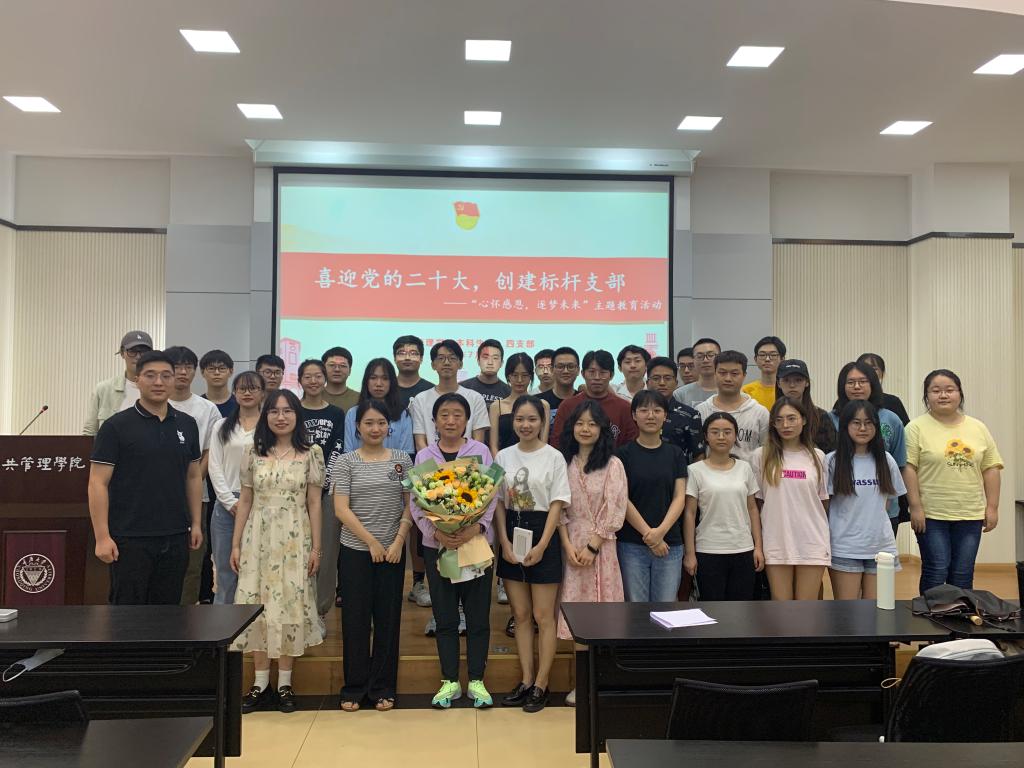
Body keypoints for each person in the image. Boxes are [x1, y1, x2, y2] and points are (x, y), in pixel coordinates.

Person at [230, 388, 324, 713]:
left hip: (295, 539)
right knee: (258, 605)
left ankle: (284, 683)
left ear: (297, 415)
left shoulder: (311, 453)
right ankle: (259, 683)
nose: (280, 417)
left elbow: (315, 503)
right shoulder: (252, 452)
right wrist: (236, 543)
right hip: (258, 538)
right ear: (265, 416)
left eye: (287, 411)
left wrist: (317, 548)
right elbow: (245, 500)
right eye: (274, 411)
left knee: (289, 605)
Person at [88, 350, 202, 605]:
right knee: (127, 613)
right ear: (137, 380)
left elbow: (193, 476)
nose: (159, 382)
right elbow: (97, 483)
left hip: (175, 535)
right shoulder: (116, 426)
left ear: (174, 380)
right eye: (150, 375)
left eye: (166, 376)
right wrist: (102, 537)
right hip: (130, 537)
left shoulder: (187, 424)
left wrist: (195, 523)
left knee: (168, 612)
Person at [410, 392, 497, 710]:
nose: (451, 420)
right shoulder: (425, 456)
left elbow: (492, 496)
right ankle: (449, 681)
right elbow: (416, 502)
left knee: (477, 616)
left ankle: (476, 680)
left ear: (467, 420)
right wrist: (436, 532)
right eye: (444, 414)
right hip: (438, 547)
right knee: (444, 617)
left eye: (457, 414)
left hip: (475, 545)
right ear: (434, 421)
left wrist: (477, 528)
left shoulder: (481, 452)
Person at [334, 399, 414, 712]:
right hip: (356, 550)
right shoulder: (346, 462)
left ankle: (383, 687)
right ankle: (354, 688)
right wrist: (371, 542)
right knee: (355, 620)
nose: (375, 428)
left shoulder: (402, 460)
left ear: (389, 427)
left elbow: (410, 504)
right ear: (358, 427)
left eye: (381, 423)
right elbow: (341, 509)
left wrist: (398, 541)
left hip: (393, 551)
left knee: (387, 620)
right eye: (369, 423)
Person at [495, 395, 571, 713]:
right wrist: (504, 542)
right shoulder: (503, 456)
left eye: (532, 419)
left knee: (543, 615)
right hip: (512, 531)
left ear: (542, 422)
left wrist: (542, 545)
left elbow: (557, 504)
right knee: (521, 615)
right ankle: (526, 679)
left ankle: (542, 683)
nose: (525, 425)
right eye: (519, 419)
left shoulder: (554, 457)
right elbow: (498, 503)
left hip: (543, 533)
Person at [904, 369, 1003, 593]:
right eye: (935, 390)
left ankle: (960, 614)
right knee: (936, 569)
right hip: (931, 515)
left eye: (950, 390)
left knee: (963, 573)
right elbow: (908, 469)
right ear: (926, 396)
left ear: (960, 393)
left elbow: (991, 468)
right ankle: (931, 614)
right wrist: (915, 507)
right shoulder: (916, 428)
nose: (943, 395)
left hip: (970, 513)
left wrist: (992, 507)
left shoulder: (978, 427)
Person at [556, 400, 627, 706]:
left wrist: (593, 545)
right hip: (571, 546)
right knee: (578, 617)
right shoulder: (563, 463)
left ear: (602, 429)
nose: (585, 429)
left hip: (603, 547)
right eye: (580, 423)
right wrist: (568, 545)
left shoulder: (613, 464)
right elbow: (558, 508)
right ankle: (582, 684)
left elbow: (616, 507)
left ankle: (606, 682)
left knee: (605, 613)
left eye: (592, 424)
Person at [750, 398, 829, 601]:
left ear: (804, 420)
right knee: (781, 607)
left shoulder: (818, 456)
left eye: (791, 418)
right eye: (779, 420)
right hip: (776, 539)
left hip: (811, 540)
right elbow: (757, 504)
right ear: (773, 424)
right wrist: (758, 543)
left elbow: (822, 501)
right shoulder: (761, 456)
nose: (785, 425)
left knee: (806, 608)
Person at [827, 400, 905, 600]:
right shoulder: (832, 461)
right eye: (856, 423)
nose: (863, 428)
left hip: (881, 545)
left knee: (878, 609)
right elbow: (825, 504)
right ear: (845, 426)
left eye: (869, 423)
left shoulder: (886, 460)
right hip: (844, 546)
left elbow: (888, 502)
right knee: (847, 611)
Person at [683, 412, 764, 601]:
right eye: (715, 432)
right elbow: (689, 513)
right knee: (713, 609)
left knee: (741, 609)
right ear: (705, 436)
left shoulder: (744, 468)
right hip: (708, 550)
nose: (721, 437)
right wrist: (690, 553)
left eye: (727, 432)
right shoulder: (695, 470)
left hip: (743, 548)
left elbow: (753, 509)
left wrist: (758, 547)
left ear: (735, 436)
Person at [616, 390, 687, 602]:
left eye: (657, 410)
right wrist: (649, 535)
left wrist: (660, 533)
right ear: (634, 415)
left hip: (669, 543)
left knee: (665, 608)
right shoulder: (622, 454)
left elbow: (680, 497)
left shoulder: (675, 453)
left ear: (665, 416)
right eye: (644, 410)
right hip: (632, 543)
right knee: (636, 608)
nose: (650, 415)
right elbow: (622, 499)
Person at [165, 346, 222, 606]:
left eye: (188, 366)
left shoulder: (207, 409)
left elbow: (211, 450)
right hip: (157, 495)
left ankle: (185, 616)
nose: (182, 372)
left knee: (192, 561)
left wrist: (194, 480)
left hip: (197, 496)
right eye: (177, 366)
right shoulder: (155, 404)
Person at [831, 362, 907, 536]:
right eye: (850, 382)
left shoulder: (891, 419)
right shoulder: (830, 419)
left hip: (884, 510)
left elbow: (900, 464)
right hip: (843, 513)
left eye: (863, 381)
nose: (857, 386)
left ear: (873, 384)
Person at [209, 371, 264, 605]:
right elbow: (214, 466)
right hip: (227, 504)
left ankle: (254, 623)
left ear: (262, 393)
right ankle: (222, 623)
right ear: (235, 393)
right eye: (242, 388)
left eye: (253, 388)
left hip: (261, 502)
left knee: (257, 568)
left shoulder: (270, 425)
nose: (247, 393)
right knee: (225, 570)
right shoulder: (222, 426)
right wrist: (229, 502)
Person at [297, 358, 346, 622]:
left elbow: (338, 447)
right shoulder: (292, 410)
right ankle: (298, 608)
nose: (313, 381)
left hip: (327, 492)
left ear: (325, 379)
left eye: (318, 376)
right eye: (308, 376)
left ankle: (320, 611)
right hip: (295, 491)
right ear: (299, 380)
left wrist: (323, 482)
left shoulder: (337, 413)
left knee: (325, 552)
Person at [409, 339, 489, 451]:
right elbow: (420, 442)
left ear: (460, 364)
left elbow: (478, 441)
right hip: (431, 461)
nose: (446, 363)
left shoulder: (475, 398)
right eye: (441, 358)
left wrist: (463, 462)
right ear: (433, 365)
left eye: (452, 358)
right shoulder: (421, 399)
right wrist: (435, 462)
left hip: (468, 461)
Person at [550, 350, 638, 449]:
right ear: (583, 374)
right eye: (591, 372)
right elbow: (556, 443)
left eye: (603, 373)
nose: (597, 377)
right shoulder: (567, 406)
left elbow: (631, 444)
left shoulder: (624, 408)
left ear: (611, 375)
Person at [694, 350, 769, 463]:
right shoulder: (700, 410)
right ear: (715, 374)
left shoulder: (760, 412)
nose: (728, 378)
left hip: (749, 473)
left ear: (744, 375)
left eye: (734, 373)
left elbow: (767, 451)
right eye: (722, 373)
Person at [83, 330, 153, 436]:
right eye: (132, 351)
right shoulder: (104, 389)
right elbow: (89, 432)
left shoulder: (160, 389)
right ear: (122, 353)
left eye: (144, 352)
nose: (138, 356)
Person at [342, 358, 414, 454]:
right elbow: (348, 453)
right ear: (366, 381)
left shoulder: (403, 414)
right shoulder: (353, 413)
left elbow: (407, 454)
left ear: (392, 382)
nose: (379, 384)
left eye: (385, 378)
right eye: (373, 378)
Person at [490, 352, 550, 457]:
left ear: (531, 376)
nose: (519, 380)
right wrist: (500, 464)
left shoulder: (543, 405)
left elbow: (543, 442)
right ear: (508, 376)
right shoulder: (496, 406)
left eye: (524, 375)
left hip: (535, 461)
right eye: (515, 375)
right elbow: (493, 445)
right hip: (504, 462)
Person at [646, 357, 703, 464]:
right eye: (656, 378)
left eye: (667, 378)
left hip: (679, 472)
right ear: (647, 383)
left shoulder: (690, 415)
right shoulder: (639, 413)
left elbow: (698, 455)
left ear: (676, 383)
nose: (662, 383)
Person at [776, 359, 837, 454]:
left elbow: (832, 454)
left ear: (807, 382)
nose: (792, 385)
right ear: (778, 383)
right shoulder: (773, 416)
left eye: (798, 380)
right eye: (786, 380)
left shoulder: (821, 417)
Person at [857, 352, 911, 425]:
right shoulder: (847, 399)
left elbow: (904, 429)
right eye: (864, 368)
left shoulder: (893, 402)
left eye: (874, 369)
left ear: (882, 373)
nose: (869, 371)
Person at [461, 339, 512, 408]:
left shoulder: (509, 392)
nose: (490, 362)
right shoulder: (463, 388)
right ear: (478, 361)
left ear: (501, 363)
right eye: (485, 357)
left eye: (495, 358)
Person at [536, 346, 579, 426]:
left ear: (578, 370)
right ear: (552, 369)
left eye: (570, 366)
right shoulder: (537, 401)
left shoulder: (585, 401)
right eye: (560, 366)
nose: (565, 371)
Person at [742, 336, 786, 410]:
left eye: (773, 355)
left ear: (782, 359)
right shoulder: (746, 391)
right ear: (755, 359)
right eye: (762, 355)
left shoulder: (787, 390)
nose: (767, 359)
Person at [673, 337, 720, 407]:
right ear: (694, 360)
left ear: (720, 357)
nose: (705, 360)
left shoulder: (730, 390)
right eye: (699, 356)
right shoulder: (680, 394)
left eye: (710, 355)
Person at [393, 335, 433, 412]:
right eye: (402, 353)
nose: (407, 358)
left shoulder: (431, 390)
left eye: (413, 353)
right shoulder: (385, 388)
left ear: (421, 358)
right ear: (394, 358)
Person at [200, 349, 237, 417]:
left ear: (231, 371)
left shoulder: (240, 404)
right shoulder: (198, 405)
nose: (217, 373)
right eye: (211, 368)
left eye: (222, 368)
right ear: (202, 372)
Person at [322, 347, 359, 412]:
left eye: (343, 365)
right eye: (332, 365)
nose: (337, 369)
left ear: (350, 371)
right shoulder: (314, 396)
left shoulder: (359, 399)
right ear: (323, 369)